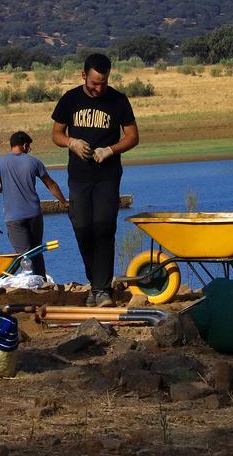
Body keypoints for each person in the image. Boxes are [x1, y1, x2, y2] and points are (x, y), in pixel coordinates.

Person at [51, 53, 139, 307]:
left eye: (103, 82)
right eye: (94, 83)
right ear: (83, 75)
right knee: (81, 227)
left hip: (107, 177)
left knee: (103, 226)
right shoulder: (70, 99)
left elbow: (132, 136)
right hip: (78, 176)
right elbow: (56, 133)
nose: (99, 88)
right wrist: (72, 142)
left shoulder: (118, 100)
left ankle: (101, 290)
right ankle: (95, 282)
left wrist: (111, 150)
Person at [0, 131, 66, 277]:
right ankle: (41, 283)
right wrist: (64, 202)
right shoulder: (34, 162)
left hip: (13, 218)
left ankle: (30, 287)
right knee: (37, 251)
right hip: (34, 214)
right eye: (29, 147)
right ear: (24, 145)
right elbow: (51, 184)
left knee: (24, 256)